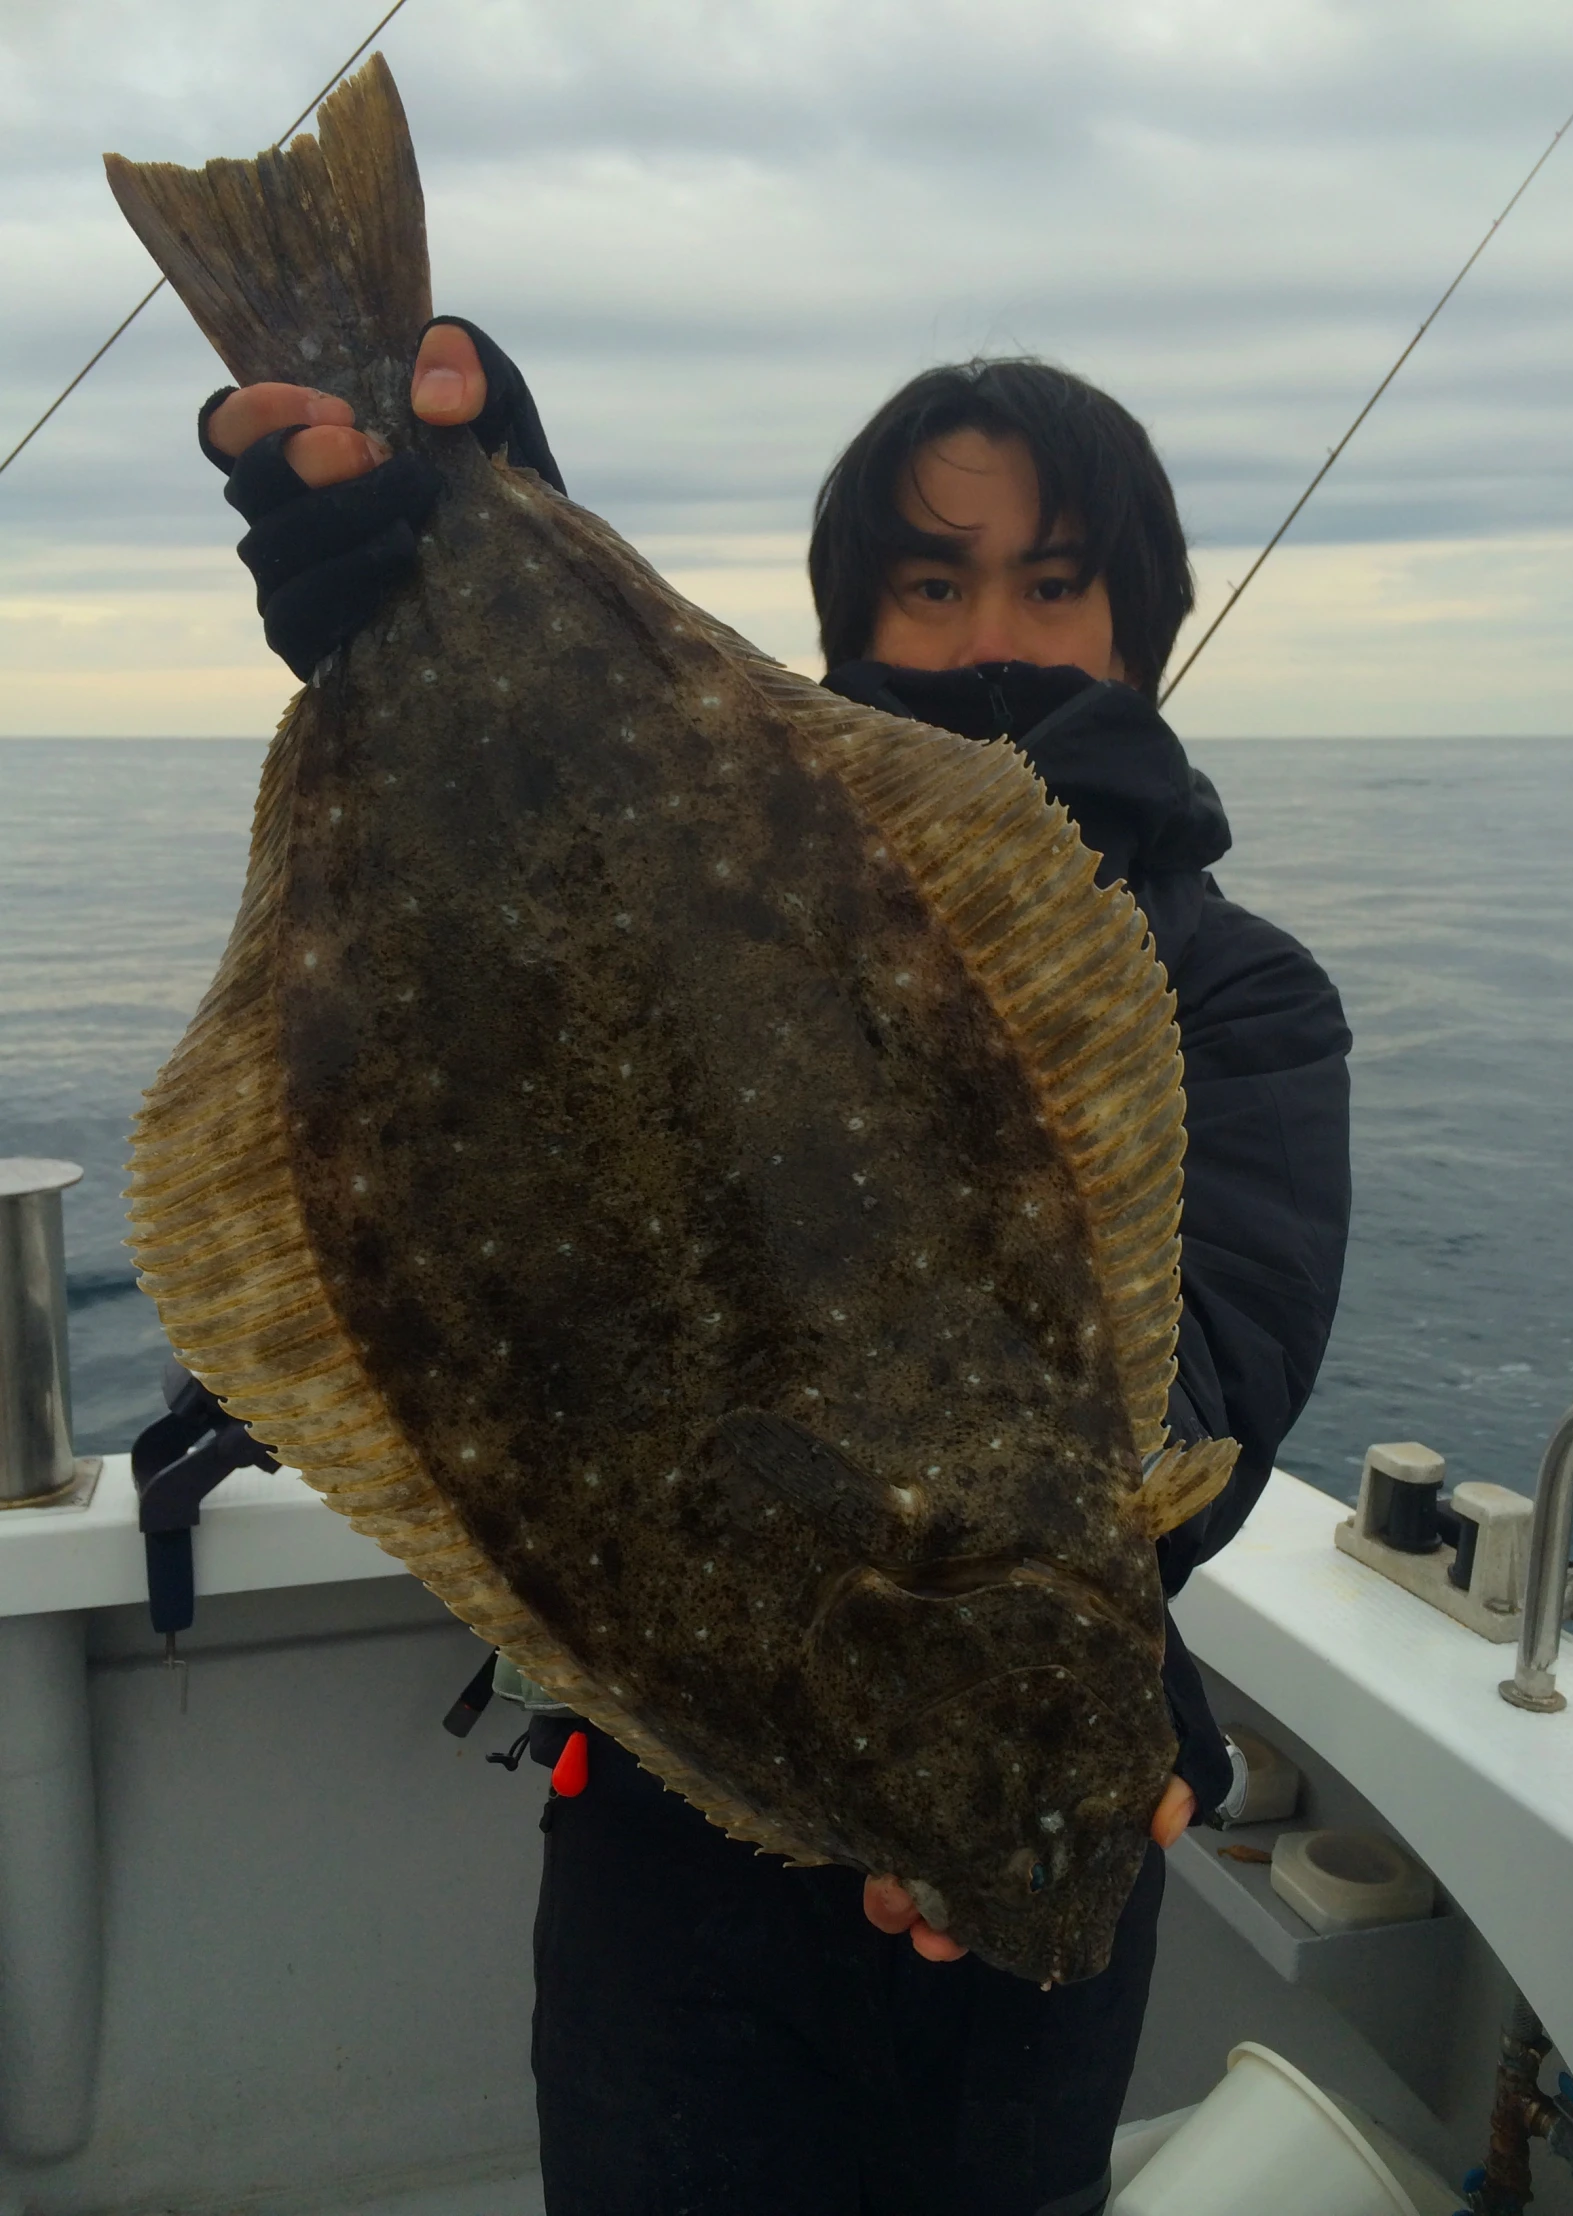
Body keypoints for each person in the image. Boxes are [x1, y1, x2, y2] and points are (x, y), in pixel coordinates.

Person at [200, 322, 1351, 2216]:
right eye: (927, 579)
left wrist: (994, 1723)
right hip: (663, 1845)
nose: (991, 633)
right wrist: (453, 547)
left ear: (1138, 624)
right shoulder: (687, 854)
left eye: (1052, 585)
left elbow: (1205, 1385)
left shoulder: (1235, 997)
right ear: (845, 623)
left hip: (1031, 1872)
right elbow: (558, 911)